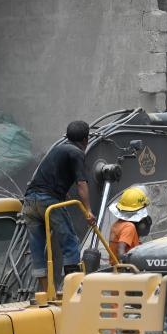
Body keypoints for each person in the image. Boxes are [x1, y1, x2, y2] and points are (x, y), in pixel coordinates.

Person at [22, 121, 95, 292]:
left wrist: (63, 192)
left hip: (30, 202)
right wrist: (88, 211)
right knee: (70, 243)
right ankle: (71, 289)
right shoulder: (77, 152)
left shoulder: (56, 149)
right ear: (86, 139)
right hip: (48, 201)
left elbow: (49, 175)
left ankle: (45, 292)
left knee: (37, 247)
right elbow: (82, 184)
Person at [108, 187, 152, 257]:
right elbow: (121, 247)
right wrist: (123, 259)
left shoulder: (116, 224)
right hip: (126, 265)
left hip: (115, 264)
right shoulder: (129, 227)